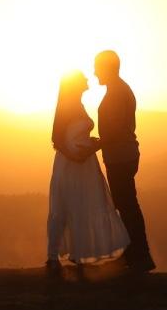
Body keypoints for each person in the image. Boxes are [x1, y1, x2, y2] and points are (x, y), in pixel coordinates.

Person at [46, 70, 130, 275]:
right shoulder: (67, 105)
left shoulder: (79, 104)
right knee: (65, 207)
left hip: (84, 163)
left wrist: (90, 143)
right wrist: (74, 155)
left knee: (82, 205)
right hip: (70, 163)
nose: (87, 79)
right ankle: (52, 257)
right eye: (82, 78)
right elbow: (56, 138)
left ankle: (79, 254)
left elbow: (75, 133)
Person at [94, 49, 155, 271]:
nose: (94, 72)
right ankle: (133, 255)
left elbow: (117, 129)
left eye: (97, 67)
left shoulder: (118, 92)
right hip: (122, 154)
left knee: (127, 205)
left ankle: (141, 256)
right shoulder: (119, 90)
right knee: (125, 204)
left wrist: (96, 144)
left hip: (121, 155)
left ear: (107, 68)